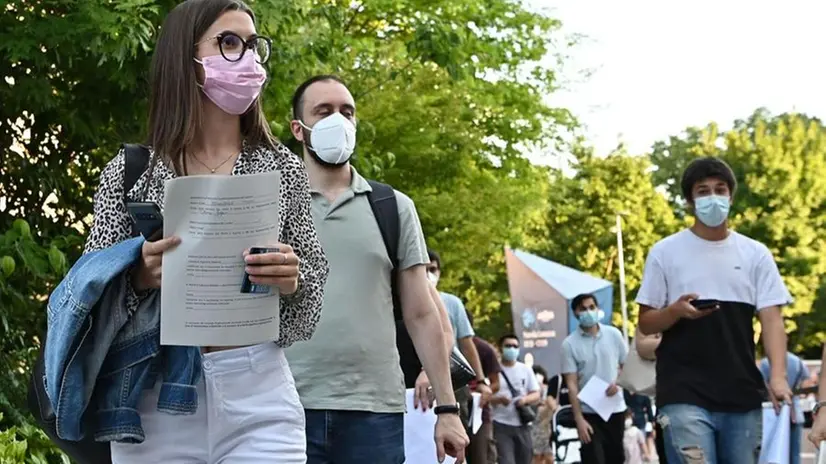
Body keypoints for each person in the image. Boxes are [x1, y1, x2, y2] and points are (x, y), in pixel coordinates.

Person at [79, 1, 331, 461]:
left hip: (259, 389)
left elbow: (311, 303)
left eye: (254, 46)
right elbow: (89, 299)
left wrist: (293, 280)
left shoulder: (283, 168)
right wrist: (138, 273)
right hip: (152, 394)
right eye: (229, 43)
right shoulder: (132, 170)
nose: (247, 58)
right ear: (185, 57)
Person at [284, 74, 469, 463]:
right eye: (324, 111)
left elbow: (422, 314)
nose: (338, 120)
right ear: (298, 129)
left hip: (374, 412)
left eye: (346, 112)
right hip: (283, 406)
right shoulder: (272, 205)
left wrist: (448, 411)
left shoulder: (392, 207)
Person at [637, 156, 793, 463]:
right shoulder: (665, 252)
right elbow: (646, 322)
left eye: (720, 190)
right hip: (682, 392)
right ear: (690, 201)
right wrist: (675, 312)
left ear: (731, 196)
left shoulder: (755, 254)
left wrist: (778, 376)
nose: (713, 198)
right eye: (703, 191)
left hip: (741, 392)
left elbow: (772, 320)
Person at [418, 249, 492, 422]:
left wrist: (480, 381)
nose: (429, 274)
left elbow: (467, 344)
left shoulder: (452, 303)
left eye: (433, 269)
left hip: (451, 379)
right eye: (424, 269)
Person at [561, 293, 628, 464]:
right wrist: (579, 419)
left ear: (598, 309)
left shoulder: (614, 334)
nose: (588, 311)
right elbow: (571, 383)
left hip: (615, 409)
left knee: (616, 457)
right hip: (588, 412)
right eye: (583, 309)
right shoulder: (569, 344)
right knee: (593, 458)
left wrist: (619, 383)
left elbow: (626, 366)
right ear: (575, 313)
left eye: (592, 307)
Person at [490, 334, 541, 464]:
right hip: (500, 424)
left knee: (524, 460)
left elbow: (536, 393)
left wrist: (525, 400)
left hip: (522, 424)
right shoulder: (493, 370)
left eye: (515, 346)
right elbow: (484, 396)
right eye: (508, 346)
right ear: (501, 348)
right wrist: (498, 399)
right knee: (506, 461)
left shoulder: (525, 369)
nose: (512, 349)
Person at [758, 351, 809, 464]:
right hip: (795, 411)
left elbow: (761, 384)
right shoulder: (798, 362)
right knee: (794, 453)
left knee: (774, 451)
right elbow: (806, 382)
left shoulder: (766, 362)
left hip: (774, 411)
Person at [465, 311, 502, 464]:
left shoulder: (483, 349)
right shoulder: (442, 344)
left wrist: (485, 391)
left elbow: (496, 383)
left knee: (481, 457)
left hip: (479, 414)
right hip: (450, 409)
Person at [531, 365, 557, 464]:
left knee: (549, 457)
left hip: (546, 430)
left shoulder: (549, 392)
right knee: (536, 457)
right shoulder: (531, 394)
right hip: (535, 428)